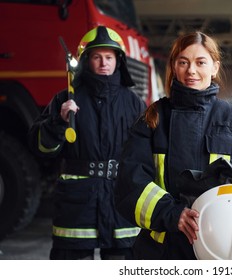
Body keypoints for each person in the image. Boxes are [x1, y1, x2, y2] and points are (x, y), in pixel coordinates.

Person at [115, 31, 232, 260]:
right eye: (183, 62)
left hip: (228, 251)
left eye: (200, 62)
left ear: (214, 67)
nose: (191, 70)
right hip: (163, 252)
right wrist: (172, 214)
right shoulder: (152, 119)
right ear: (174, 67)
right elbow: (130, 181)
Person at [28, 26, 146, 260]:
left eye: (109, 57)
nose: (104, 63)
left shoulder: (134, 103)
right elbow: (42, 149)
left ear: (118, 61)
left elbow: (144, 155)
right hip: (77, 206)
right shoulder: (65, 99)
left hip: (121, 203)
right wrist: (58, 122)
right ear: (86, 61)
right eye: (96, 57)